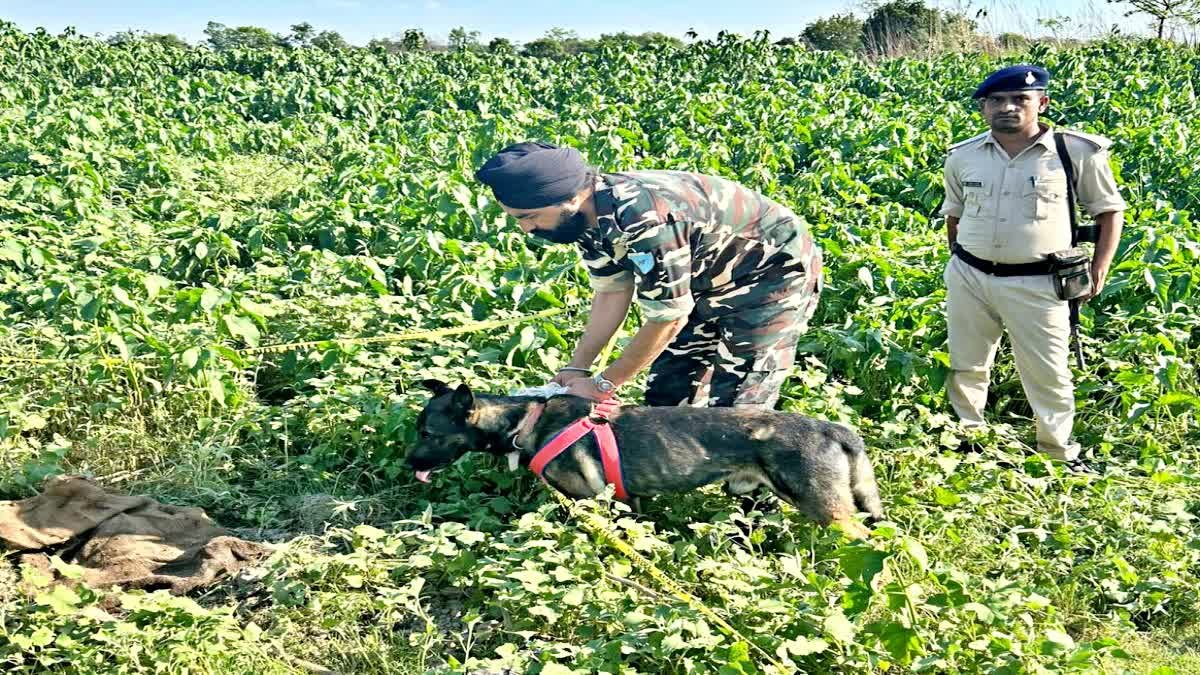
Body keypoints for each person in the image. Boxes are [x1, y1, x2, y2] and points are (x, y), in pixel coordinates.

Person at [474, 142, 823, 409]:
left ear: (569, 198)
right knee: (669, 386)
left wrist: (603, 385)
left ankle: (755, 498)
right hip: (703, 279)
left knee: (739, 399)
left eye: (529, 216)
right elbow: (611, 292)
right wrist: (577, 369)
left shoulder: (643, 220)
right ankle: (676, 473)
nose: (525, 228)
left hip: (771, 275)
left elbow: (668, 318)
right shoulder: (583, 218)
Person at [939, 65, 1126, 466]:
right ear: (983, 108)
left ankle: (1057, 453)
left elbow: (1109, 211)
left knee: (1047, 372)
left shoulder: (1074, 152)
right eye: (996, 101)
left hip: (1038, 282)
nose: (1008, 107)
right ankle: (966, 438)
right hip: (970, 276)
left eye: (1020, 99)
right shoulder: (963, 156)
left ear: (1041, 103)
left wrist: (1099, 269)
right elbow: (953, 215)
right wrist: (958, 262)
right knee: (965, 363)